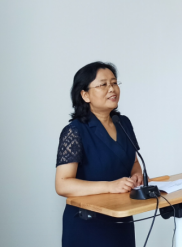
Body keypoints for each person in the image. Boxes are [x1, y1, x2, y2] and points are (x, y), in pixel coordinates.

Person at [55, 62, 143, 247]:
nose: (112, 89)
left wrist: (136, 174)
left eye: (114, 83)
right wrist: (110, 186)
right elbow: (62, 184)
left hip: (121, 219)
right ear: (85, 95)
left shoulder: (123, 123)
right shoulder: (74, 131)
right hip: (88, 224)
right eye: (103, 84)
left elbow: (133, 162)